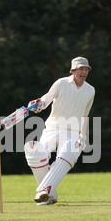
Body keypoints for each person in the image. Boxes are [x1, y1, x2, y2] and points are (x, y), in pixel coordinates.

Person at [24, 57, 95, 205]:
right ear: (73, 71)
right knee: (35, 153)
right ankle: (50, 194)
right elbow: (46, 99)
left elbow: (85, 115)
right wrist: (39, 104)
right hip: (52, 127)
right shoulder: (61, 83)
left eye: (86, 69)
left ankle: (44, 191)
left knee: (68, 153)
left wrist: (83, 135)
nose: (84, 72)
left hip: (73, 131)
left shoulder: (90, 90)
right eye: (81, 69)